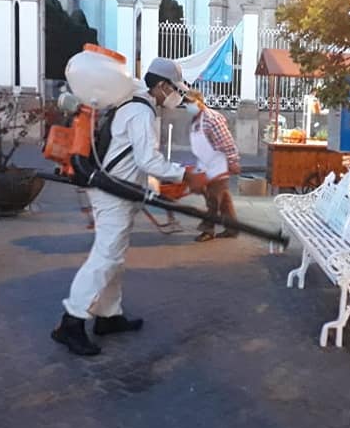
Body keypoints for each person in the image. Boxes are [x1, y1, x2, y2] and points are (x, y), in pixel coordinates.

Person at [52, 57, 206, 357]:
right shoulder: (140, 111)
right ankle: (70, 323)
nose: (177, 95)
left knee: (114, 258)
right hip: (112, 195)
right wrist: (186, 175)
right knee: (104, 259)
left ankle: (108, 316)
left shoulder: (134, 98)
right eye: (174, 89)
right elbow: (147, 160)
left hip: (119, 191)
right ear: (161, 86)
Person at [183, 89, 241, 242]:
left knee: (213, 199)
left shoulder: (212, 118)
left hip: (219, 165)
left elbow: (226, 142)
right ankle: (232, 228)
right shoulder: (196, 121)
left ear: (200, 102)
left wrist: (233, 161)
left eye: (190, 103)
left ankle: (208, 229)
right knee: (224, 198)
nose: (188, 106)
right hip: (205, 165)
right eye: (186, 104)